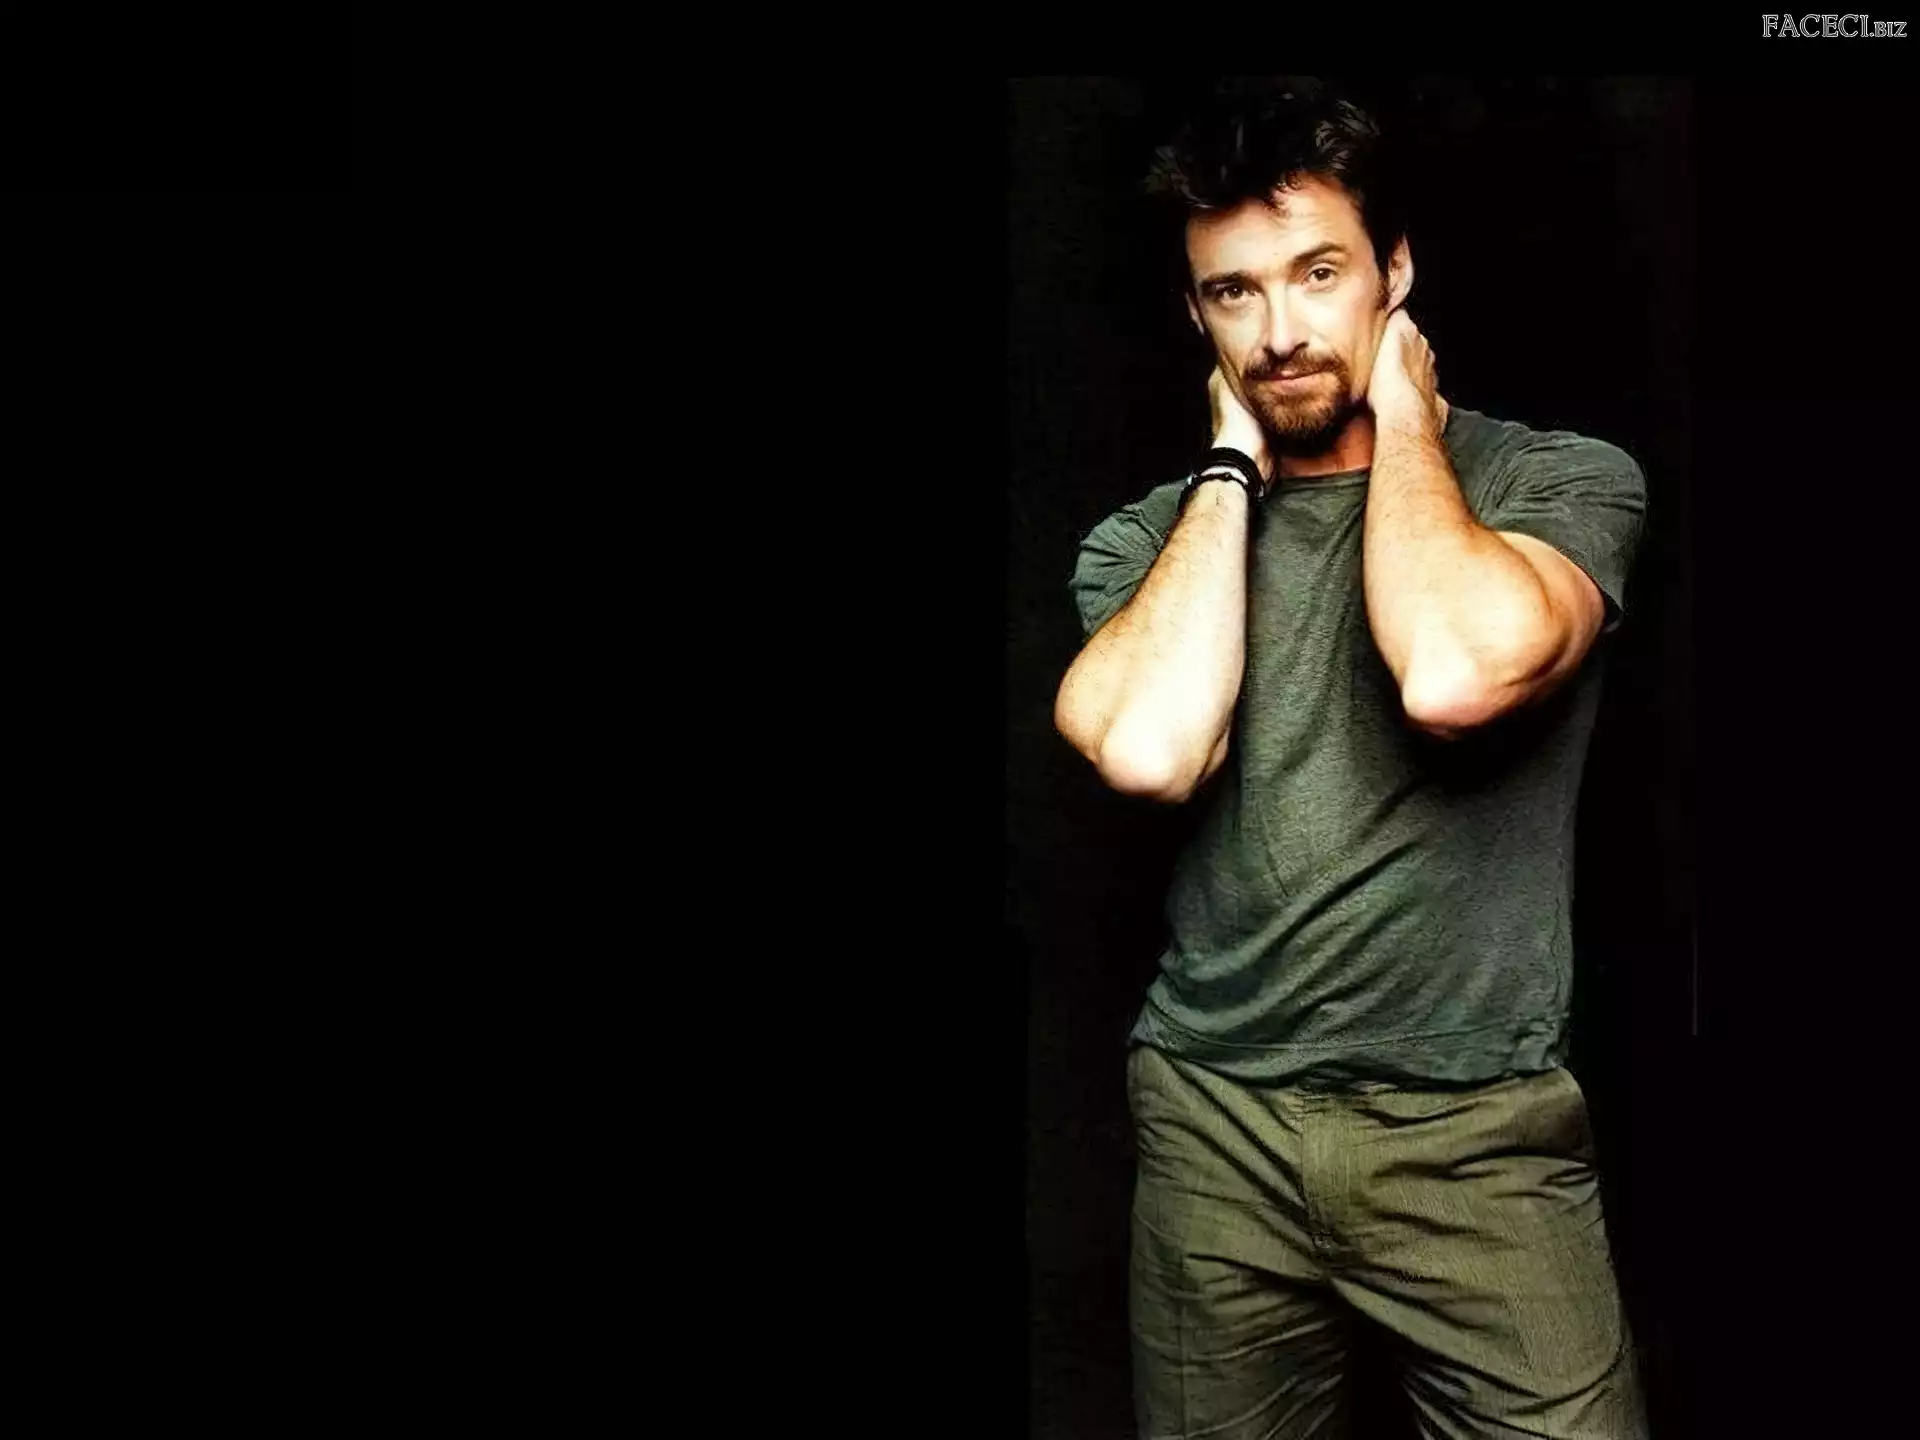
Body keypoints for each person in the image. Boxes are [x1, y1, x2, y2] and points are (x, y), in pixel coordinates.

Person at [1052, 77, 1651, 1439]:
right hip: (1217, 1137)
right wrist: (1229, 465)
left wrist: (1408, 418)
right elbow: (1148, 752)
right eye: (1234, 292)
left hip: (1478, 1138)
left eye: (1319, 274)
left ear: (1397, 272)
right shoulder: (1147, 544)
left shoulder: (1556, 482)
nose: (1279, 333)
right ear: (1197, 317)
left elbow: (1455, 674)